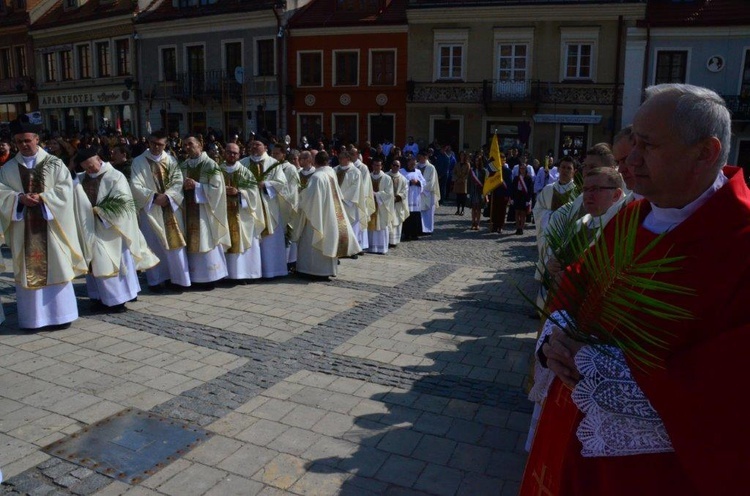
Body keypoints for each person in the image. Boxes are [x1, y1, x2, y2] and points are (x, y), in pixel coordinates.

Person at [520, 84, 750, 495]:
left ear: (706, 152)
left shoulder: (739, 241)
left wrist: (602, 372)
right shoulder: (634, 216)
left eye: (648, 146)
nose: (631, 162)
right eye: (631, 145)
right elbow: (578, 281)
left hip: (654, 472)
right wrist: (556, 337)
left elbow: (730, 385)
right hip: (573, 440)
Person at [0, 117, 87, 330]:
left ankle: (61, 315)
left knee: (56, 265)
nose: (23, 145)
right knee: (27, 270)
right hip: (24, 229)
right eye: (19, 141)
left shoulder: (54, 163)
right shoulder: (9, 168)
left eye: (27, 140)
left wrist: (44, 198)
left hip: (51, 228)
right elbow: (1, 192)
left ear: (37, 139)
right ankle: (33, 319)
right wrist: (18, 198)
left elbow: (66, 190)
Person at [73, 149, 159, 312]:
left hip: (111, 230)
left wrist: (99, 212)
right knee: (93, 264)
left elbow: (122, 204)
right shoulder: (81, 178)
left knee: (112, 263)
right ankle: (98, 297)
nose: (90, 170)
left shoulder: (115, 177)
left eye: (91, 166)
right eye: (86, 168)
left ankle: (117, 300)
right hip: (89, 229)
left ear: (99, 159)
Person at [130, 130, 190, 293]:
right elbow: (135, 185)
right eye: (153, 143)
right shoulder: (139, 161)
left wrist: (168, 196)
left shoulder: (170, 160)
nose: (156, 147)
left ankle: (177, 279)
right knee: (153, 244)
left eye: (160, 144)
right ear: (148, 143)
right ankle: (155, 280)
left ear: (165, 144)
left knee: (175, 244)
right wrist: (154, 196)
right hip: (150, 209)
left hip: (170, 207)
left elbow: (178, 181)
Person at [292, 151, 360, 280]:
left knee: (312, 241)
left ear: (314, 162)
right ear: (327, 161)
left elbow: (310, 200)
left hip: (316, 216)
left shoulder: (317, 177)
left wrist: (300, 196)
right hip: (331, 215)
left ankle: (312, 271)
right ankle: (327, 270)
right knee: (328, 240)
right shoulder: (331, 173)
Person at [180, 134, 230, 288]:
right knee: (191, 239)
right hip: (189, 209)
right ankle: (195, 277)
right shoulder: (183, 166)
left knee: (205, 239)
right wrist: (183, 185)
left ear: (200, 145)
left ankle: (211, 276)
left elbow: (217, 189)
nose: (188, 147)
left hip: (205, 210)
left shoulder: (210, 165)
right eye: (185, 145)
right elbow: (176, 185)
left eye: (190, 144)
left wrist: (197, 186)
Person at [240, 137, 289, 278]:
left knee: (270, 240)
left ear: (265, 147)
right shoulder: (243, 163)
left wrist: (266, 184)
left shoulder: (273, 164)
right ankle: (252, 271)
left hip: (268, 206)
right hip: (250, 207)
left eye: (258, 144)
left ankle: (272, 270)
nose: (254, 147)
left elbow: (282, 183)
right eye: (252, 145)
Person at [221, 142, 264, 283]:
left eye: (235, 153)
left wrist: (238, 192)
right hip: (222, 214)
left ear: (239, 155)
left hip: (242, 213)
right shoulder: (217, 170)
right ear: (224, 153)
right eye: (229, 152)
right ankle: (224, 274)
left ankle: (242, 274)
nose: (231, 155)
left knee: (242, 241)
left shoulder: (245, 172)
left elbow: (253, 193)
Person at [334, 149, 365, 257]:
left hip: (349, 204)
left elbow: (355, 189)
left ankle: (352, 251)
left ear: (348, 159)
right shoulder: (335, 170)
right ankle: (339, 250)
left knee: (351, 228)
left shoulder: (355, 172)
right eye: (339, 158)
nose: (340, 160)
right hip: (336, 204)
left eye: (342, 158)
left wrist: (340, 196)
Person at [367, 158, 394, 254]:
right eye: (375, 165)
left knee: (381, 225)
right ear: (372, 166)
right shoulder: (368, 177)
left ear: (381, 166)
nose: (376, 167)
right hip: (370, 205)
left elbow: (389, 194)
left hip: (381, 206)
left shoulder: (387, 178)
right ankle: (370, 247)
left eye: (378, 165)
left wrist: (377, 194)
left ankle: (381, 248)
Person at [401, 157, 426, 241]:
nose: (413, 166)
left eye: (414, 164)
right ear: (407, 163)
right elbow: (400, 183)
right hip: (407, 197)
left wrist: (418, 182)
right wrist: (409, 182)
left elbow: (423, 182)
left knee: (415, 216)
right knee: (407, 216)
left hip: (415, 197)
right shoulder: (402, 171)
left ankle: (415, 234)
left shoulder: (418, 172)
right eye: (411, 164)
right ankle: (407, 234)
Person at [386, 159, 409, 247]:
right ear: (391, 165)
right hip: (387, 204)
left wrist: (397, 197)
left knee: (396, 221)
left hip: (397, 204)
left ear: (400, 167)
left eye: (397, 166)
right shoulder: (385, 176)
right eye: (394, 165)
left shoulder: (403, 179)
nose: (395, 167)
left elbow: (405, 191)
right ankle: (386, 240)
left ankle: (394, 241)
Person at [416, 151, 440, 234]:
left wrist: (421, 186)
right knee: (419, 212)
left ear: (426, 157)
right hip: (418, 193)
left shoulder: (431, 167)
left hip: (428, 193)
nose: (420, 158)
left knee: (428, 213)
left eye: (422, 157)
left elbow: (432, 182)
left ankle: (428, 229)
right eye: (419, 157)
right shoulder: (416, 166)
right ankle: (420, 229)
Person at [511, 162, 534, 235]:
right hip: (517, 196)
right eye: (521, 168)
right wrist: (512, 198)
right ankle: (518, 228)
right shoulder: (516, 178)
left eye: (523, 168)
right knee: (517, 213)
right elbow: (513, 189)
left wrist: (528, 200)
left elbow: (530, 190)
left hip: (524, 196)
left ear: (526, 169)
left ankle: (521, 228)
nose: (522, 170)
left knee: (523, 213)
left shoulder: (529, 178)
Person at [467, 153, 486, 231]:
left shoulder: (483, 171)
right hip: (473, 191)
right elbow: (468, 182)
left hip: (480, 191)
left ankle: (478, 223)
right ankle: (473, 223)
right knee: (473, 208)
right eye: (475, 161)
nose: (476, 162)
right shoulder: (471, 170)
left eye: (478, 161)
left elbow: (485, 182)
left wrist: (484, 193)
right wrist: (468, 192)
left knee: (478, 208)